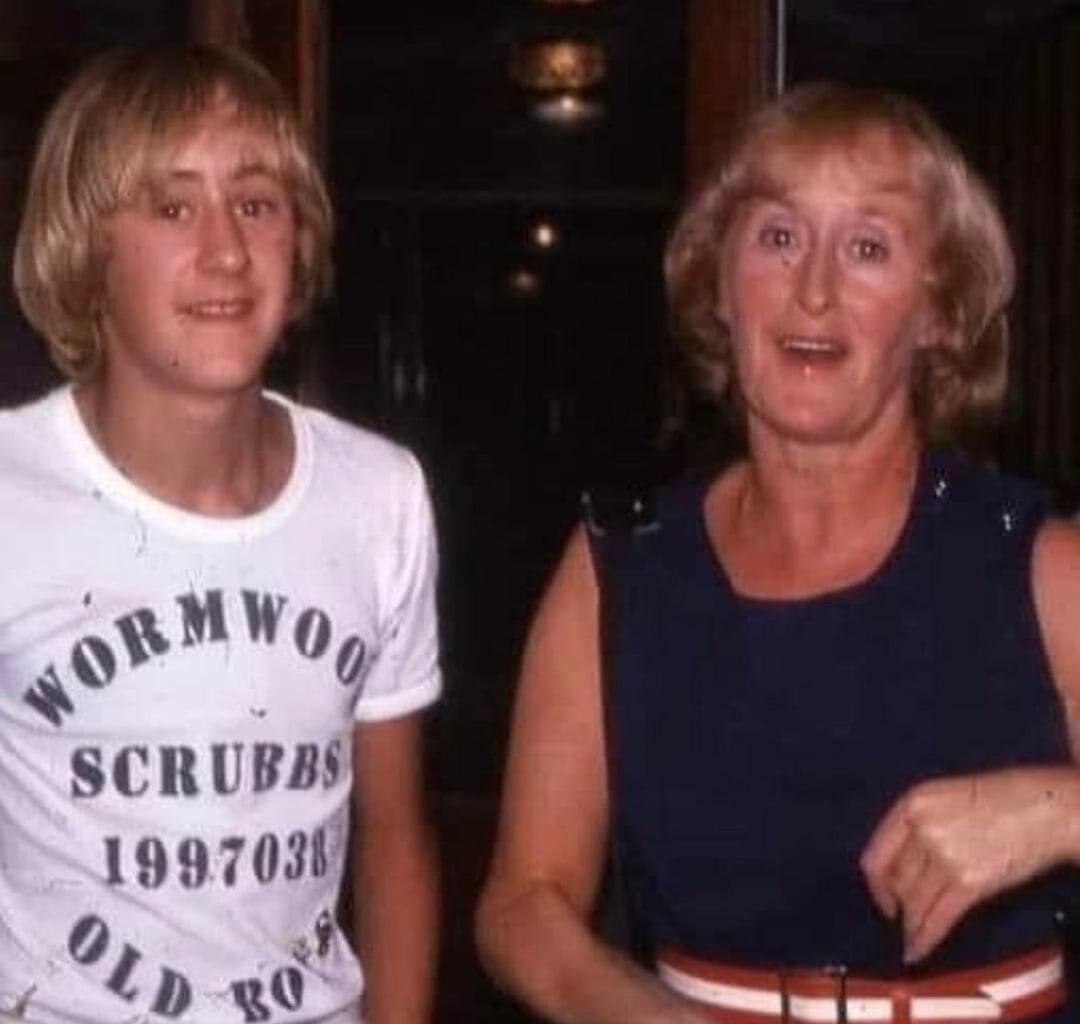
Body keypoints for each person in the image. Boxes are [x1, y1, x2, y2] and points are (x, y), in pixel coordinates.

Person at [475, 83, 1080, 1024]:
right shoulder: (619, 571)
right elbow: (522, 907)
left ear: (941, 315)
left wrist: (1061, 810)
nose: (815, 290)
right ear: (719, 286)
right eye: (778, 238)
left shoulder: (1039, 565)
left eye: (869, 247)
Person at [0, 46, 439, 1024]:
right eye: (171, 207)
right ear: (87, 250)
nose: (226, 250)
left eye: (256, 201)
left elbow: (394, 834)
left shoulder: (380, 495)